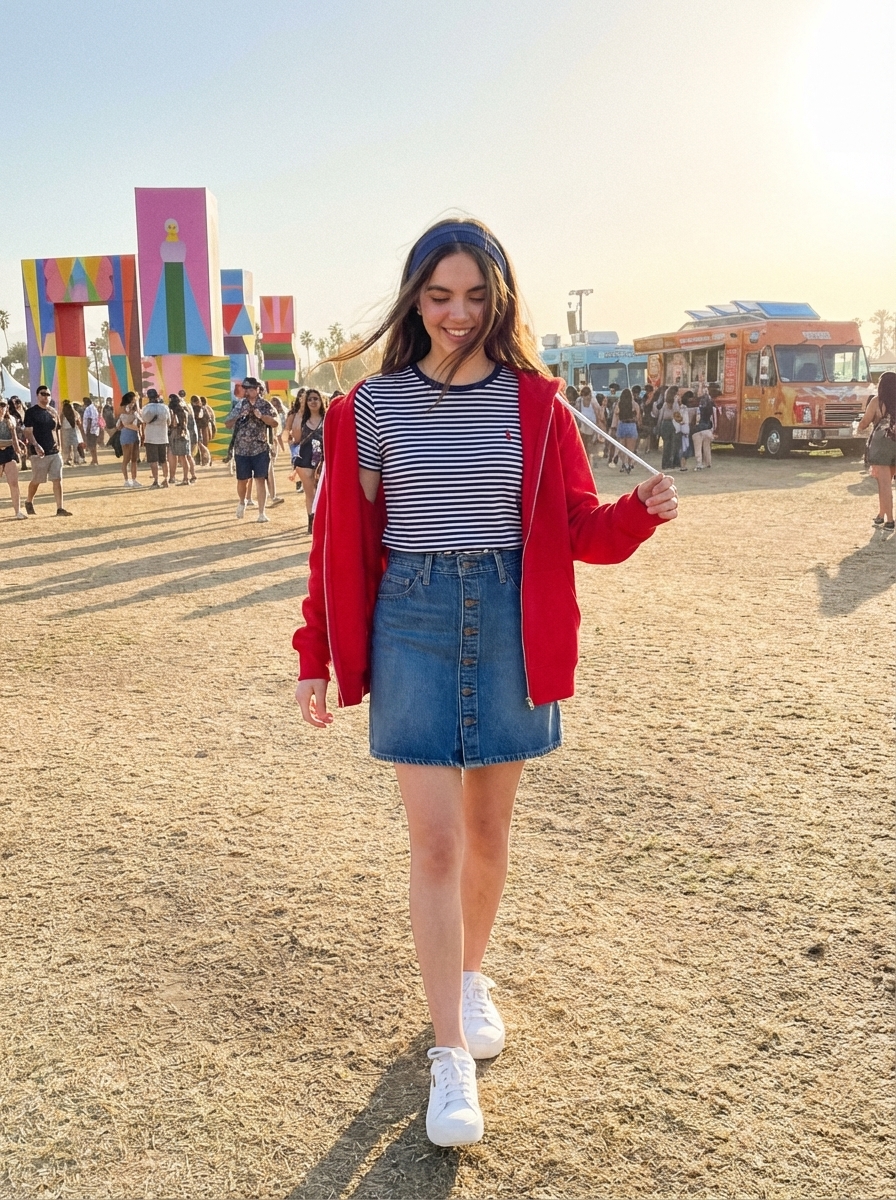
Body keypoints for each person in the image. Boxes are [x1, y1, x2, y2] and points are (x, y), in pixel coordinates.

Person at [292, 218, 678, 1149]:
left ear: (498, 299)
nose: (457, 314)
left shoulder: (537, 404)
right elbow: (338, 542)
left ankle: (470, 978)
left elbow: (580, 531)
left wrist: (638, 513)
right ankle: (449, 1054)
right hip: (412, 621)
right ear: (415, 299)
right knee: (435, 844)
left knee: (488, 832)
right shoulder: (368, 408)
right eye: (439, 296)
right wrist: (316, 652)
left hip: (510, 621)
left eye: (474, 295)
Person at [225, 376, 279, 522]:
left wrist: (261, 416)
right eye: (246, 389)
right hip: (241, 449)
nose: (248, 391)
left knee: (260, 479)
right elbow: (227, 424)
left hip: (260, 448)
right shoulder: (240, 405)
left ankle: (261, 513)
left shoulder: (265, 405)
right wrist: (238, 416)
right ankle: (242, 502)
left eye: (250, 389)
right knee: (242, 480)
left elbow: (275, 422)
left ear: (258, 389)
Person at [22, 386, 72, 516]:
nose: (46, 397)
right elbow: (28, 431)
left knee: (57, 479)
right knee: (37, 480)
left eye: (48, 394)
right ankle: (29, 501)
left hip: (54, 451)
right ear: (37, 395)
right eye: (43, 394)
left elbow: (57, 430)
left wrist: (61, 446)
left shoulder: (53, 412)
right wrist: (36, 445)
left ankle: (60, 508)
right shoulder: (31, 412)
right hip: (39, 453)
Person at [858, 370, 896, 530]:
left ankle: (890, 520)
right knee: (888, 480)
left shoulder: (877, 401)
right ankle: (881, 514)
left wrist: (858, 428)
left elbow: (865, 422)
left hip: (882, 444)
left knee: (884, 484)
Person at [289, 388, 327, 532]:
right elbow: (297, 439)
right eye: (310, 399)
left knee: (321, 492)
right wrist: (298, 418)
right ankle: (312, 523)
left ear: (321, 401)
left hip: (323, 459)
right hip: (305, 459)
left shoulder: (327, 418)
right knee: (310, 492)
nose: (313, 402)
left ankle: (322, 521)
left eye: (316, 398)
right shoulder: (302, 418)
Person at [0, 398, 27, 518]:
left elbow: (14, 436)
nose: (1, 408)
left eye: (3, 405)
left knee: (14, 483)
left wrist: (18, 449)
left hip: (9, 452)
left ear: (7, 407)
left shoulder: (11, 419)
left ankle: (18, 511)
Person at [142, 388, 171, 487]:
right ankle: (166, 479)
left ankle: (156, 480)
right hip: (163, 436)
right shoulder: (165, 408)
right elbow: (169, 422)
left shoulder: (146, 408)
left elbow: (144, 420)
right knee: (164, 460)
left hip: (151, 437)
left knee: (153, 460)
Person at [116, 392, 144, 487]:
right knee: (127, 459)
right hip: (127, 435)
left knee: (134, 459)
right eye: (133, 401)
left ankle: (134, 479)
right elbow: (123, 424)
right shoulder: (124, 410)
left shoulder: (134, 411)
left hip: (134, 435)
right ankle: (127, 480)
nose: (133, 403)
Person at [612, 387, 641, 474]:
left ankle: (624, 463)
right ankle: (629, 463)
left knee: (622, 447)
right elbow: (638, 417)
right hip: (631, 425)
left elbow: (616, 412)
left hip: (622, 425)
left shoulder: (620, 403)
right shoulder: (634, 404)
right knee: (630, 449)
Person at [167, 395, 195, 485]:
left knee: (174, 455)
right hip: (184, 434)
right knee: (184, 457)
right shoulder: (184, 410)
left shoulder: (172, 411)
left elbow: (174, 424)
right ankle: (186, 478)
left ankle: (174, 477)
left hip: (175, 434)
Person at [693, 388, 716, 469]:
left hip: (699, 429)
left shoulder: (699, 408)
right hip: (708, 429)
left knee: (698, 448)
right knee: (707, 447)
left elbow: (697, 418)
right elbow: (713, 419)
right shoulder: (711, 408)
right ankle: (708, 463)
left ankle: (699, 464)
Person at [658, 385, 679, 471]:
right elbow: (676, 414)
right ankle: (671, 463)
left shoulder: (665, 404)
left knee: (666, 445)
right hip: (673, 423)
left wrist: (659, 426)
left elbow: (661, 416)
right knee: (673, 445)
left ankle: (664, 463)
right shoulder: (675, 403)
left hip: (665, 424)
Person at [191, 394, 216, 467]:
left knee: (202, 446)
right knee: (200, 446)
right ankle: (202, 460)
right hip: (200, 429)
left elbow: (206, 419)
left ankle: (206, 460)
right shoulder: (202, 409)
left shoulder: (203, 409)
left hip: (203, 429)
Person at [60, 400, 85, 466]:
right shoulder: (75, 413)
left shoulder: (62, 414)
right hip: (74, 431)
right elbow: (79, 423)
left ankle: (67, 459)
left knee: (67, 447)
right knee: (76, 446)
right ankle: (77, 459)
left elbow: (60, 423)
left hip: (65, 432)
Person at [81, 396, 101, 465]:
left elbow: (89, 419)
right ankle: (94, 460)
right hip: (95, 430)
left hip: (91, 430)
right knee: (93, 446)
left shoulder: (88, 409)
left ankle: (95, 460)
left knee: (92, 446)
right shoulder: (93, 408)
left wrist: (87, 430)